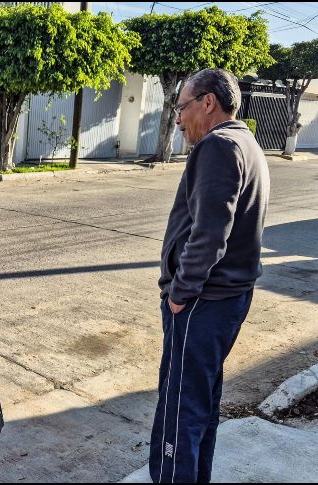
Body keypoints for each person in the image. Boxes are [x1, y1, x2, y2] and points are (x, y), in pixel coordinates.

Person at [150, 68, 270, 483]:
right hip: (225, 298)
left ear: (207, 102)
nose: (179, 118)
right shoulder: (246, 142)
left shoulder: (218, 146)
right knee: (201, 401)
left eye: (182, 107)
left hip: (204, 302)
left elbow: (209, 232)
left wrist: (181, 292)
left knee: (181, 406)